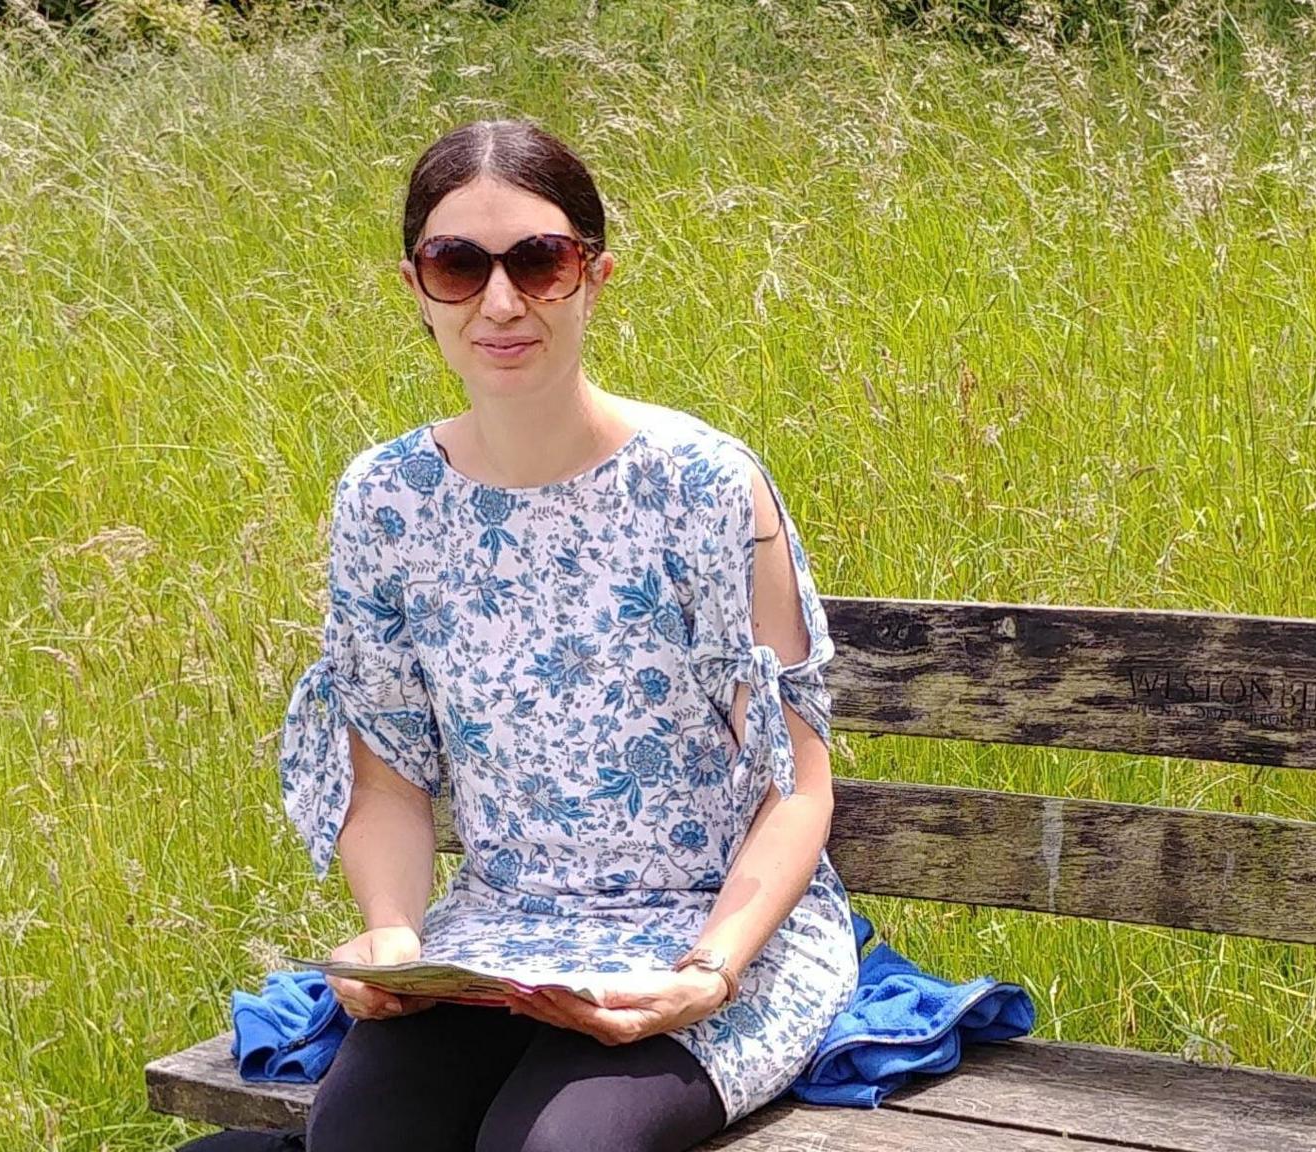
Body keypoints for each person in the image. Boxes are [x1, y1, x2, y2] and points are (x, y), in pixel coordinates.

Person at [190, 117, 858, 1152]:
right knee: (360, 1143)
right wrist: (394, 938)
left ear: (592, 276)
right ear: (414, 286)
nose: (499, 300)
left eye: (537, 261)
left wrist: (708, 972)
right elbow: (387, 784)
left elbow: (794, 788)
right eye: (457, 264)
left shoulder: (701, 486)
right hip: (496, 937)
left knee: (547, 1150)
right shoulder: (385, 500)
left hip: (709, 937)